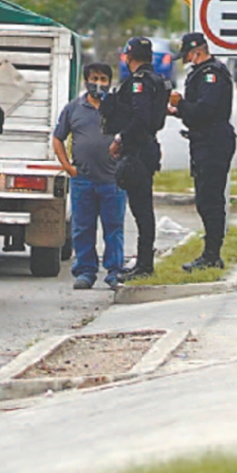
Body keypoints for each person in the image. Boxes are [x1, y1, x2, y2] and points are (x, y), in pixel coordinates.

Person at [52, 63, 125, 290]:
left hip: (113, 180)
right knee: (83, 228)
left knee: (113, 227)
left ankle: (114, 271)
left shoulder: (118, 107)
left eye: (104, 79)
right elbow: (58, 139)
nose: (99, 83)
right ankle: (85, 271)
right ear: (86, 81)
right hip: (82, 179)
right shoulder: (74, 108)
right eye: (95, 78)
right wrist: (67, 167)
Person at [169, 32, 237, 271]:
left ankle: (212, 256)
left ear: (196, 51)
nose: (186, 61)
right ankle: (209, 252)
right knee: (203, 199)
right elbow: (195, 112)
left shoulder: (211, 75)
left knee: (210, 200)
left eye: (187, 55)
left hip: (213, 141)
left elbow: (205, 111)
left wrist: (181, 104)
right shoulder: (201, 73)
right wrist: (177, 111)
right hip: (203, 140)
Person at [105, 37, 167, 282]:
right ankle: (143, 261)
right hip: (147, 147)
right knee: (142, 209)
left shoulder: (140, 82)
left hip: (138, 150)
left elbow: (140, 118)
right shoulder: (157, 80)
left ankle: (144, 264)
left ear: (129, 57)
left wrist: (120, 139)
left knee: (141, 209)